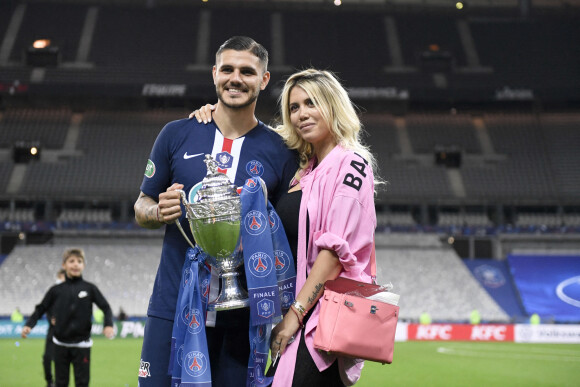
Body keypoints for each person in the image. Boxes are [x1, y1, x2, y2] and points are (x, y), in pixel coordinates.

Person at [192, 69, 380, 386]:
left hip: (323, 319)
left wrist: (295, 315)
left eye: (311, 103)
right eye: (294, 107)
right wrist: (213, 115)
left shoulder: (352, 164)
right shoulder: (303, 170)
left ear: (333, 106)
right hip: (295, 319)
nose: (301, 114)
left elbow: (333, 254)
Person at [134, 36, 298, 386]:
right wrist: (157, 211)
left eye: (247, 72)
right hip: (172, 304)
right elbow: (141, 205)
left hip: (243, 316)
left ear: (264, 80)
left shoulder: (281, 152)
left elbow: (287, 232)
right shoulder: (177, 134)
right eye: (227, 69)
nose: (235, 78)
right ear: (214, 74)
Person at [21, 248, 114, 387]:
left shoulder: (90, 288)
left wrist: (108, 325)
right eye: (71, 261)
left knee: (82, 383)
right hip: (60, 345)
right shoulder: (56, 290)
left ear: (83, 265)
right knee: (61, 383)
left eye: (79, 261)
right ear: (64, 265)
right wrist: (29, 324)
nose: (76, 264)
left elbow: (106, 307)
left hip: (82, 346)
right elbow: (41, 308)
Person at [41, 269, 66, 387]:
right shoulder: (52, 292)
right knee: (47, 357)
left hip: (65, 331)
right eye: (60, 277)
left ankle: (59, 382)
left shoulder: (70, 293)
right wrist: (51, 318)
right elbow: (46, 308)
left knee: (59, 359)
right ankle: (49, 381)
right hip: (52, 330)